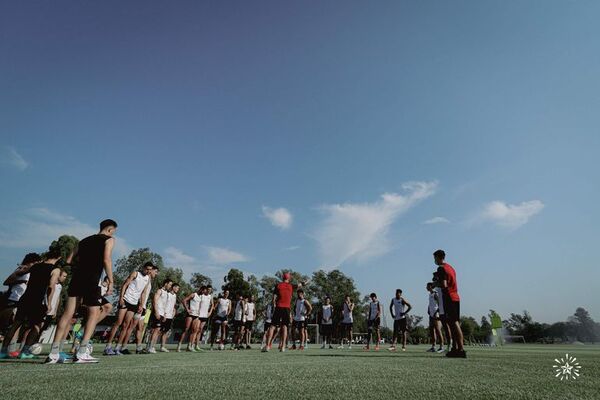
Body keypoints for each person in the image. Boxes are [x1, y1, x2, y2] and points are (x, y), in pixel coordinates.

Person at [46, 219, 117, 364]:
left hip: (78, 278)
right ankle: (82, 352)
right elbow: (106, 260)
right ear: (110, 230)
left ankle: (53, 353)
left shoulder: (83, 241)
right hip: (92, 279)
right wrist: (111, 281)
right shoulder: (109, 240)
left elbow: (69, 260)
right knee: (94, 313)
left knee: (67, 313)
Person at [1, 248, 62, 359]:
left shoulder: (35, 266)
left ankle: (3, 351)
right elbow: (51, 286)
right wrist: (49, 303)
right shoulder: (55, 269)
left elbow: (20, 272)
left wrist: (20, 273)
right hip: (38, 300)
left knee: (16, 325)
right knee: (37, 326)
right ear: (59, 258)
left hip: (25, 298)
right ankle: (25, 351)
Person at [104, 262, 154, 355]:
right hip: (126, 299)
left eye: (150, 270)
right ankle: (108, 346)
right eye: (147, 269)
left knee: (126, 326)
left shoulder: (147, 279)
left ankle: (117, 348)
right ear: (143, 268)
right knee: (118, 323)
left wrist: (141, 305)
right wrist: (121, 298)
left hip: (134, 303)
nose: (148, 271)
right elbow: (125, 284)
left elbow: (143, 293)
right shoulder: (136, 274)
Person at [0, 253, 42, 340]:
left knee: (18, 324)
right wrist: (21, 281)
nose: (36, 265)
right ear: (29, 262)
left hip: (23, 300)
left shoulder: (33, 272)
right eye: (34, 263)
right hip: (14, 299)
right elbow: (6, 282)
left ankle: (12, 346)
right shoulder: (21, 269)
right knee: (13, 323)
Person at [433, 249, 466, 358]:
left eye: (435, 258)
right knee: (453, 323)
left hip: (449, 297)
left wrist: (435, 283)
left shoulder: (441, 268)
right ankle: (455, 348)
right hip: (455, 297)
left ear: (439, 257)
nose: (434, 260)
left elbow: (444, 284)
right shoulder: (450, 267)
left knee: (454, 323)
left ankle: (461, 349)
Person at [262, 273, 305, 352]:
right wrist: (304, 282)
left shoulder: (278, 285)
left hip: (279, 307)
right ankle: (283, 347)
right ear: (289, 279)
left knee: (272, 326)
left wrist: (273, 304)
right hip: (287, 308)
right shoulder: (291, 286)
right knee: (285, 326)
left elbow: (273, 298)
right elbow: (300, 285)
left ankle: (267, 346)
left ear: (282, 278)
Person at [134, 266, 158, 354]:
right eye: (155, 271)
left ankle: (138, 347)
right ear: (150, 271)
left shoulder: (149, 281)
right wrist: (140, 304)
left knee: (140, 328)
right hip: (138, 306)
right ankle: (120, 346)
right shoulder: (144, 279)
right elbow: (140, 292)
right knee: (130, 327)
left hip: (144, 307)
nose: (156, 273)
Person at [147, 279, 172, 354]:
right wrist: (156, 312)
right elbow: (155, 301)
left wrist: (164, 314)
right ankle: (150, 347)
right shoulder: (159, 291)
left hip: (162, 314)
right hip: (157, 313)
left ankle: (152, 346)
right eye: (170, 284)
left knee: (157, 331)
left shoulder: (166, 293)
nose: (170, 286)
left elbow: (164, 305)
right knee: (156, 330)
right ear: (165, 284)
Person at [177, 287, 202, 352]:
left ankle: (189, 346)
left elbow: (199, 305)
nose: (203, 292)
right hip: (190, 315)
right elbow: (184, 300)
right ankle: (179, 346)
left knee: (194, 330)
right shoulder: (193, 294)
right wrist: (187, 309)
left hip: (196, 315)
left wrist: (199, 311)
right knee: (186, 329)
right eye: (203, 291)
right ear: (200, 289)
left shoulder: (200, 297)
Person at [159, 283, 179, 352]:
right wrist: (164, 314)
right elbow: (163, 304)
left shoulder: (175, 295)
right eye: (177, 288)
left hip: (170, 316)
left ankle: (162, 346)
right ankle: (150, 346)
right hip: (164, 315)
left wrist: (173, 312)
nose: (178, 289)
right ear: (173, 287)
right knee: (157, 331)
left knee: (165, 332)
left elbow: (173, 305)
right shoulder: (167, 294)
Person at [426, 282, 444, 353]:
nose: (426, 287)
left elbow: (439, 304)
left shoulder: (435, 293)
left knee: (438, 330)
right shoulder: (430, 294)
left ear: (430, 286)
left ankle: (441, 346)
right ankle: (433, 347)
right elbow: (431, 303)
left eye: (427, 286)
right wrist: (428, 309)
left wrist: (437, 312)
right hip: (431, 315)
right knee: (432, 330)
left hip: (436, 315)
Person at [194, 285, 213, 350]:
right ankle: (191, 344)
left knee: (200, 330)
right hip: (199, 315)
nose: (209, 291)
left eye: (210, 290)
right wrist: (197, 311)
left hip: (205, 315)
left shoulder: (210, 297)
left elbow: (212, 305)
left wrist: (210, 312)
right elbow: (198, 303)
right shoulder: (201, 295)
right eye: (208, 289)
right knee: (196, 329)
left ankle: (197, 345)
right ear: (206, 289)